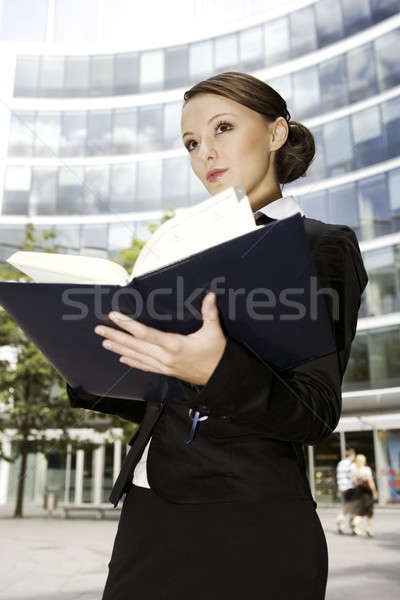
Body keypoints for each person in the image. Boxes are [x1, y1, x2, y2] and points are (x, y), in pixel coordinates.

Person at [66, 71, 369, 599]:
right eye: (191, 143)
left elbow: (315, 411)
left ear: (276, 134)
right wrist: (93, 366)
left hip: (246, 525)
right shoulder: (177, 252)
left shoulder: (321, 246)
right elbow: (175, 402)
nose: (205, 152)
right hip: (149, 518)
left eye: (222, 128)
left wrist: (214, 367)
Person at [347, 454, 378, 537]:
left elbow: (354, 482)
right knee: (369, 511)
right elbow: (370, 482)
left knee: (361, 510)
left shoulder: (354, 470)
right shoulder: (366, 469)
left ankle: (355, 522)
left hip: (358, 492)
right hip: (367, 493)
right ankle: (368, 529)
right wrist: (374, 492)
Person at [335, 447, 356, 534]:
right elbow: (353, 477)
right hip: (350, 488)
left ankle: (340, 520)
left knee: (345, 506)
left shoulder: (340, 463)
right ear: (352, 455)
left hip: (342, 488)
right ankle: (353, 527)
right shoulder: (351, 464)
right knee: (353, 507)